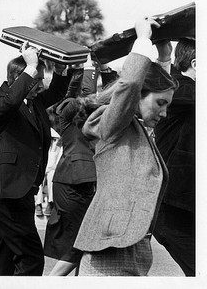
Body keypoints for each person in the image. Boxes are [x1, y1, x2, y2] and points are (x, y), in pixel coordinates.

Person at [73, 18, 178, 276]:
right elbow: (130, 85)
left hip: (133, 246)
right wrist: (142, 41)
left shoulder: (135, 126)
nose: (164, 113)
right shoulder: (114, 124)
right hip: (112, 248)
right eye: (161, 103)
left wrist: (163, 57)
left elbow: (147, 87)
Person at [0, 41, 70, 276]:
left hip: (22, 190)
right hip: (5, 191)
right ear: (19, 76)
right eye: (36, 79)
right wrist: (31, 67)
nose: (40, 85)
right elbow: (9, 103)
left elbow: (57, 92)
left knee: (5, 258)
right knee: (30, 258)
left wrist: (60, 69)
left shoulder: (34, 102)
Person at [44, 58, 118, 276]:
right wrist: (87, 69)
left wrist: (104, 70)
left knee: (83, 242)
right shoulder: (69, 110)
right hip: (73, 181)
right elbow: (81, 98)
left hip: (78, 180)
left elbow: (116, 97)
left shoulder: (95, 114)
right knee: (82, 243)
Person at [153, 39, 196, 276]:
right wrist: (164, 58)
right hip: (173, 209)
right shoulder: (183, 89)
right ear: (196, 64)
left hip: (183, 206)